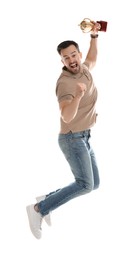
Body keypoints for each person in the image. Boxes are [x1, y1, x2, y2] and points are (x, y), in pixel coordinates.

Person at [26, 22, 100, 239]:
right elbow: (66, 115)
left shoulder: (83, 69)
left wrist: (94, 36)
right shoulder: (66, 83)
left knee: (94, 184)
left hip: (84, 136)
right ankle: (39, 209)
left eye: (74, 55)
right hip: (72, 139)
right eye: (66, 58)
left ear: (78, 54)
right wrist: (78, 95)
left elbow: (92, 60)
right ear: (62, 61)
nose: (72, 60)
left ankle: (45, 199)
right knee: (85, 185)